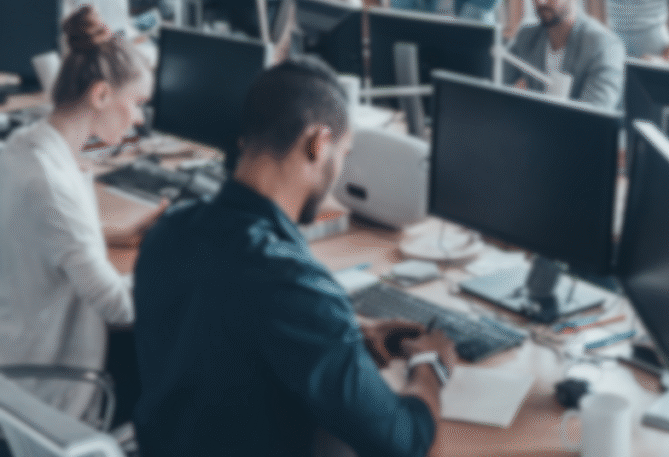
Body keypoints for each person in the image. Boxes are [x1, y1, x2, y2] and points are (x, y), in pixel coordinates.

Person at [133, 58, 456, 457]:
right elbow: (405, 443)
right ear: (318, 143)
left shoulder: (169, 230)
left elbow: (225, 318)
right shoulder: (289, 281)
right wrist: (430, 365)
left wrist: (348, 331)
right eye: (344, 152)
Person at [0, 5, 163, 422]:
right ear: (101, 95)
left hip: (19, 346)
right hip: (50, 389)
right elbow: (120, 308)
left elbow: (51, 243)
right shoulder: (51, 187)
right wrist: (177, 265)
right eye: (137, 103)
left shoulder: (27, 145)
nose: (139, 119)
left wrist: (127, 236)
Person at [504, 0, 625, 109]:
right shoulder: (526, 36)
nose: (540, 0)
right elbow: (498, 90)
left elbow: (593, 117)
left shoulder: (604, 46)